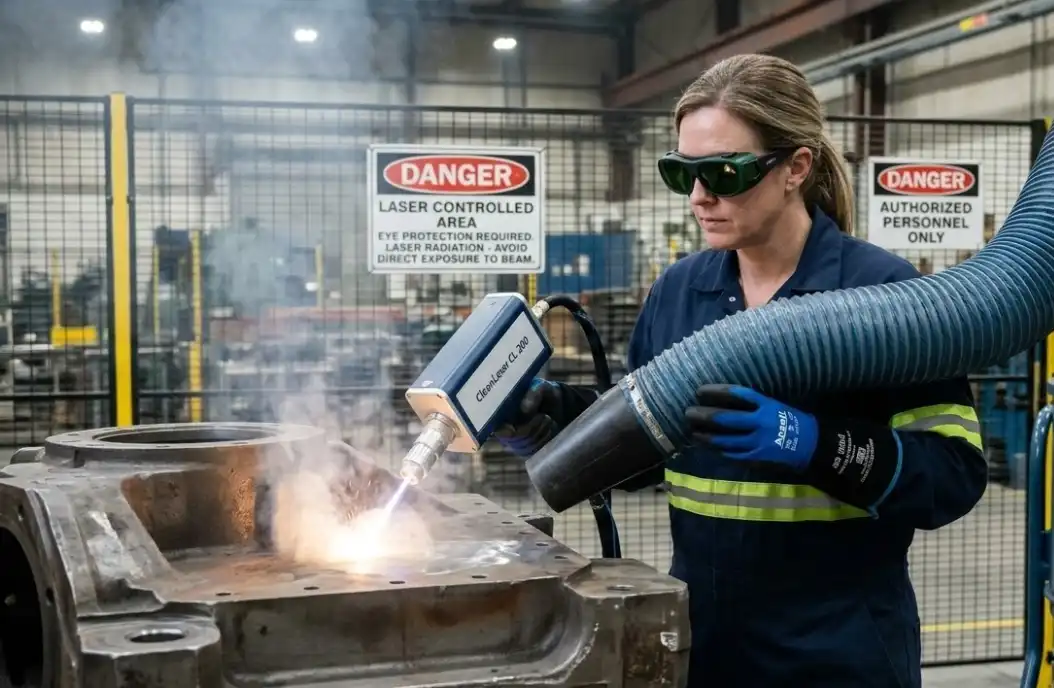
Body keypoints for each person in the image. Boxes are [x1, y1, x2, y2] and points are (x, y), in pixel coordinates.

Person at [495, 53, 987, 687]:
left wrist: (813, 443)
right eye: (683, 173)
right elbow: (647, 446)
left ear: (796, 168)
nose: (701, 197)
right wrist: (549, 416)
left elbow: (952, 476)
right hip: (705, 644)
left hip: (838, 652)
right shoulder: (679, 290)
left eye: (724, 172)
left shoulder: (883, 295)